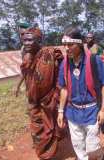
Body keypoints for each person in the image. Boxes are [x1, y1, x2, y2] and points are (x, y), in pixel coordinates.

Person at [57, 26, 104, 160]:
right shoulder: (65, 64)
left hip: (92, 111)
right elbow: (64, 89)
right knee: (79, 147)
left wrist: (103, 110)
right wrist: (61, 111)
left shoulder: (94, 60)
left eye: (70, 45)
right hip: (73, 112)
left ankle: (99, 154)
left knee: (92, 148)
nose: (66, 48)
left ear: (79, 44)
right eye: (64, 45)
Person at [20, 27, 63, 160]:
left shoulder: (50, 53)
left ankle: (49, 154)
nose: (26, 43)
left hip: (49, 99)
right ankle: (43, 153)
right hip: (33, 100)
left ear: (39, 40)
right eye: (24, 40)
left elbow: (59, 76)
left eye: (30, 40)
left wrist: (57, 93)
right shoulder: (26, 55)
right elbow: (26, 74)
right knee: (37, 128)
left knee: (50, 127)